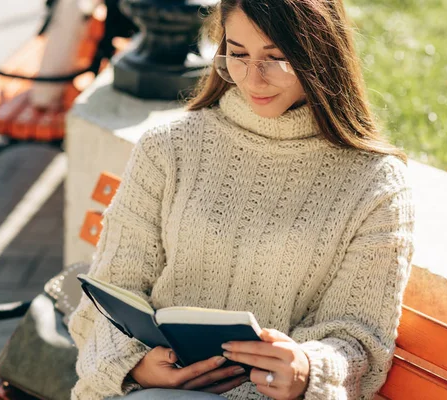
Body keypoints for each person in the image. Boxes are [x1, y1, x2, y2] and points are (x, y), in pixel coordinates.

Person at [68, 0, 415, 398]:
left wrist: (307, 369)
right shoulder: (169, 148)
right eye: (238, 54)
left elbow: (359, 338)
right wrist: (138, 368)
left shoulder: (375, 183)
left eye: (277, 58)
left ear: (320, 53)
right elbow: (111, 290)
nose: (253, 79)